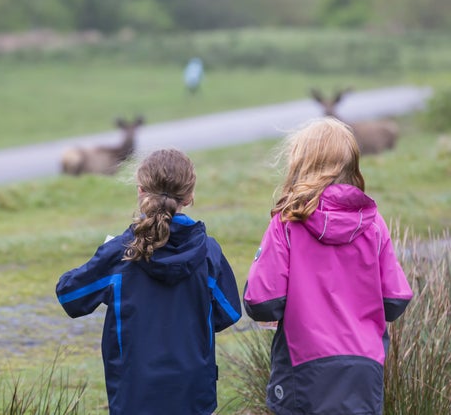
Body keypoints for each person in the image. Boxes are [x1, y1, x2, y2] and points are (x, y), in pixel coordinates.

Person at [243, 117, 413, 415]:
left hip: (302, 372)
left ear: (300, 164)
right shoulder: (373, 225)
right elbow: (395, 300)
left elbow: (262, 303)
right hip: (363, 372)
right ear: (352, 164)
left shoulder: (286, 224)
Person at [56, 148, 242, 415]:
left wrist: (103, 253)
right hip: (194, 394)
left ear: (141, 190)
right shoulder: (209, 252)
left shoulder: (119, 253)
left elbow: (69, 296)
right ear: (189, 197)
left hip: (134, 395)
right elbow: (228, 313)